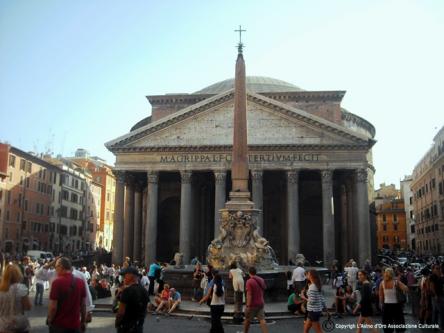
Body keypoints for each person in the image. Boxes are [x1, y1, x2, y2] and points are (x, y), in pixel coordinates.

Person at [47, 257, 87, 333]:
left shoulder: (57, 282)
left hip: (59, 325)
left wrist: (50, 319)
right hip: (75, 325)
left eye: (56, 267)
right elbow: (83, 305)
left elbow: (53, 307)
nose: (55, 269)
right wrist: (83, 321)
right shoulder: (80, 282)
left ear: (61, 267)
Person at [115, 266, 150, 333]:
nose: (123, 278)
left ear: (131, 276)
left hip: (126, 327)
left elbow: (120, 313)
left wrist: (117, 323)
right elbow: (146, 309)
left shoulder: (127, 291)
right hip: (138, 327)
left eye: (125, 275)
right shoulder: (144, 290)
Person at [0, 263, 32, 333]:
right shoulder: (21, 288)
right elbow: (28, 307)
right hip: (18, 324)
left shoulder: (1, 289)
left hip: (3, 325)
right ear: (18, 274)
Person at [378, 267, 408, 333]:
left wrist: (381, 304)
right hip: (396, 305)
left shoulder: (382, 283)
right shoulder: (396, 282)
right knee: (399, 322)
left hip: (386, 305)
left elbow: (381, 296)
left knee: (387, 324)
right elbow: (406, 289)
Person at [244, 266, 268, 333]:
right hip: (261, 303)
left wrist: (248, 306)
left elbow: (249, 295)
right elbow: (264, 288)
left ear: (249, 273)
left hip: (252, 304)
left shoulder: (249, 281)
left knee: (247, 320)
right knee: (262, 320)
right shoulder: (261, 279)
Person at [429, 264, 444, 329]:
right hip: (437, 296)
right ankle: (442, 326)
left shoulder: (440, 276)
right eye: (437, 268)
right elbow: (431, 287)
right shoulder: (433, 276)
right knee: (441, 311)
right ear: (433, 269)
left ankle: (434, 326)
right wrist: (435, 295)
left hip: (440, 295)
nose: (438, 269)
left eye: (439, 268)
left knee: (436, 311)